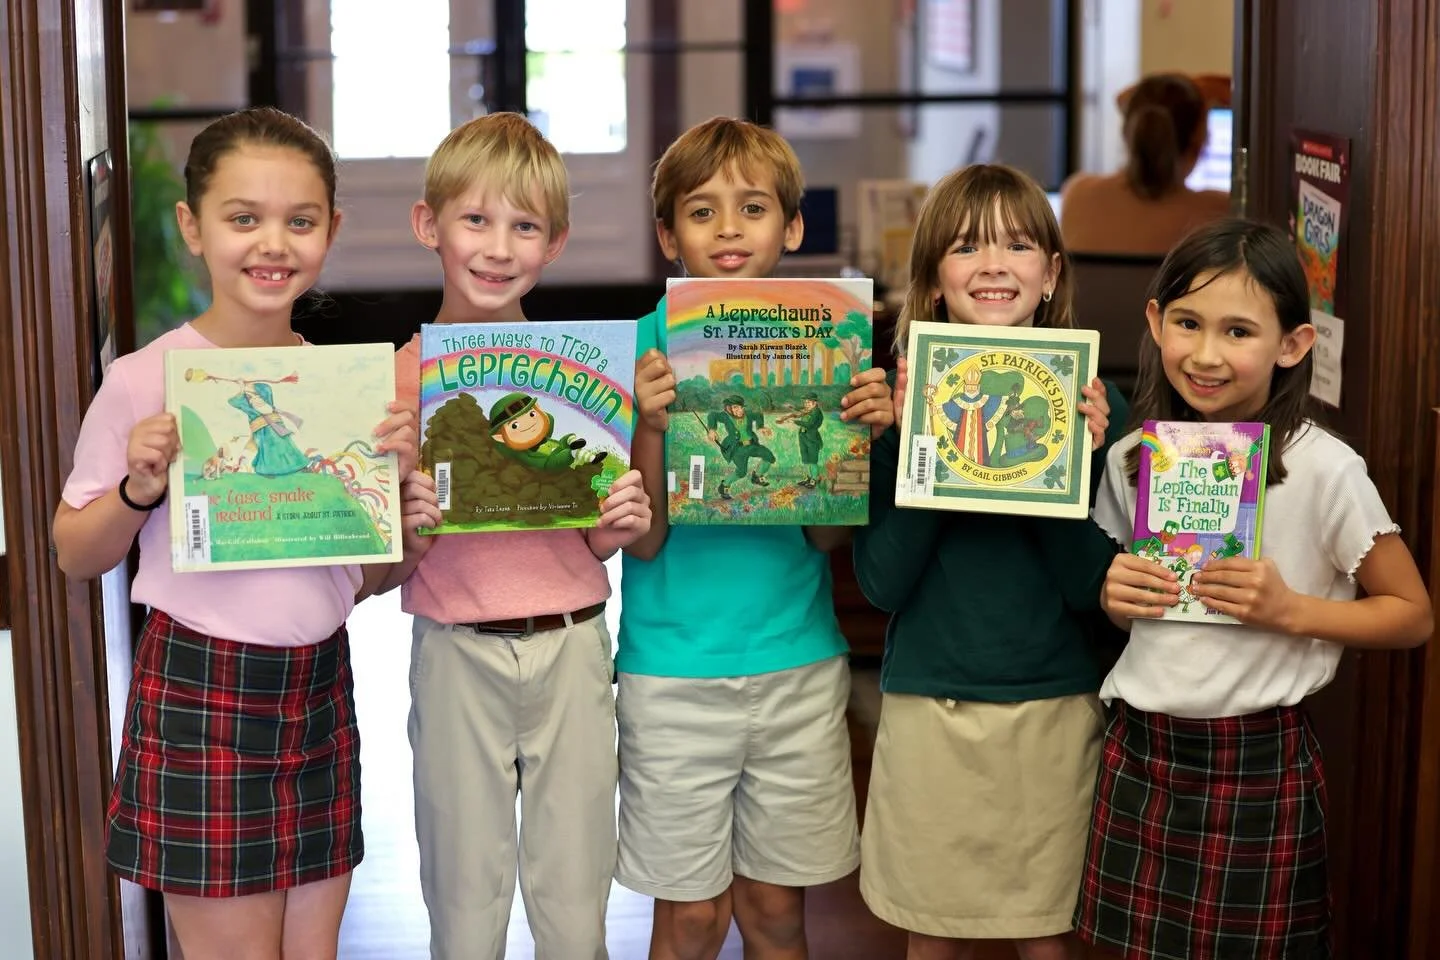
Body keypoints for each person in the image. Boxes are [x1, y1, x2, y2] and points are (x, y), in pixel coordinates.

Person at [52, 106, 419, 959]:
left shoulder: (344, 391)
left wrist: (395, 493)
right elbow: (74, 552)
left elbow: (370, 577)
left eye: (300, 221)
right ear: (193, 227)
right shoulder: (145, 381)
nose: (272, 244)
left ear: (332, 229)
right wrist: (139, 489)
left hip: (319, 691)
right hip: (200, 694)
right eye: (243, 218)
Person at [1074, 218, 1432, 959]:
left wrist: (1290, 610)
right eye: (1187, 323)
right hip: (1142, 751)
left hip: (1257, 763)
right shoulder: (1133, 460)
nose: (1206, 354)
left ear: (1293, 345)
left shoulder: (1325, 468)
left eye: (1239, 331)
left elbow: (1412, 615)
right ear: (1154, 323)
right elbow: (1121, 603)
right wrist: (1114, 596)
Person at [376, 112, 652, 960]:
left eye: (524, 226)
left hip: (572, 643)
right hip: (455, 646)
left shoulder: (587, 374)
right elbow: (376, 565)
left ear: (555, 243)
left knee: (576, 905)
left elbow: (593, 542)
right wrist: (399, 512)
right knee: (464, 905)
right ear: (430, 226)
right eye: (476, 220)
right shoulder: (397, 376)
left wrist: (620, 522)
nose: (498, 248)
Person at [619, 116, 893, 960]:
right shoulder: (639, 345)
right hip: (671, 675)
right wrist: (652, 426)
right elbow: (644, 543)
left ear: (793, 226)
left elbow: (822, 537)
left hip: (797, 665)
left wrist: (862, 441)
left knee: (777, 913)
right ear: (668, 235)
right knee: (692, 919)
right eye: (701, 213)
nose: (729, 229)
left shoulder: (835, 343)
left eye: (753, 208)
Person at [852, 162, 1126, 960]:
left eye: (1017, 244)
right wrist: (917, 449)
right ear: (935, 282)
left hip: (1055, 703)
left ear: (1050, 276)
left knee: (1045, 938)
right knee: (932, 937)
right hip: (931, 703)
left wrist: (1070, 464)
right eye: (967, 247)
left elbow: (1090, 585)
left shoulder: (1097, 406)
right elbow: (883, 583)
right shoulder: (892, 409)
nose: (994, 263)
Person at [1060, 73, 1231, 255]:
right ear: (1198, 143)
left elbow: (1123, 97)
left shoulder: (1078, 194)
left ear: (1127, 134)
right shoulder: (1219, 211)